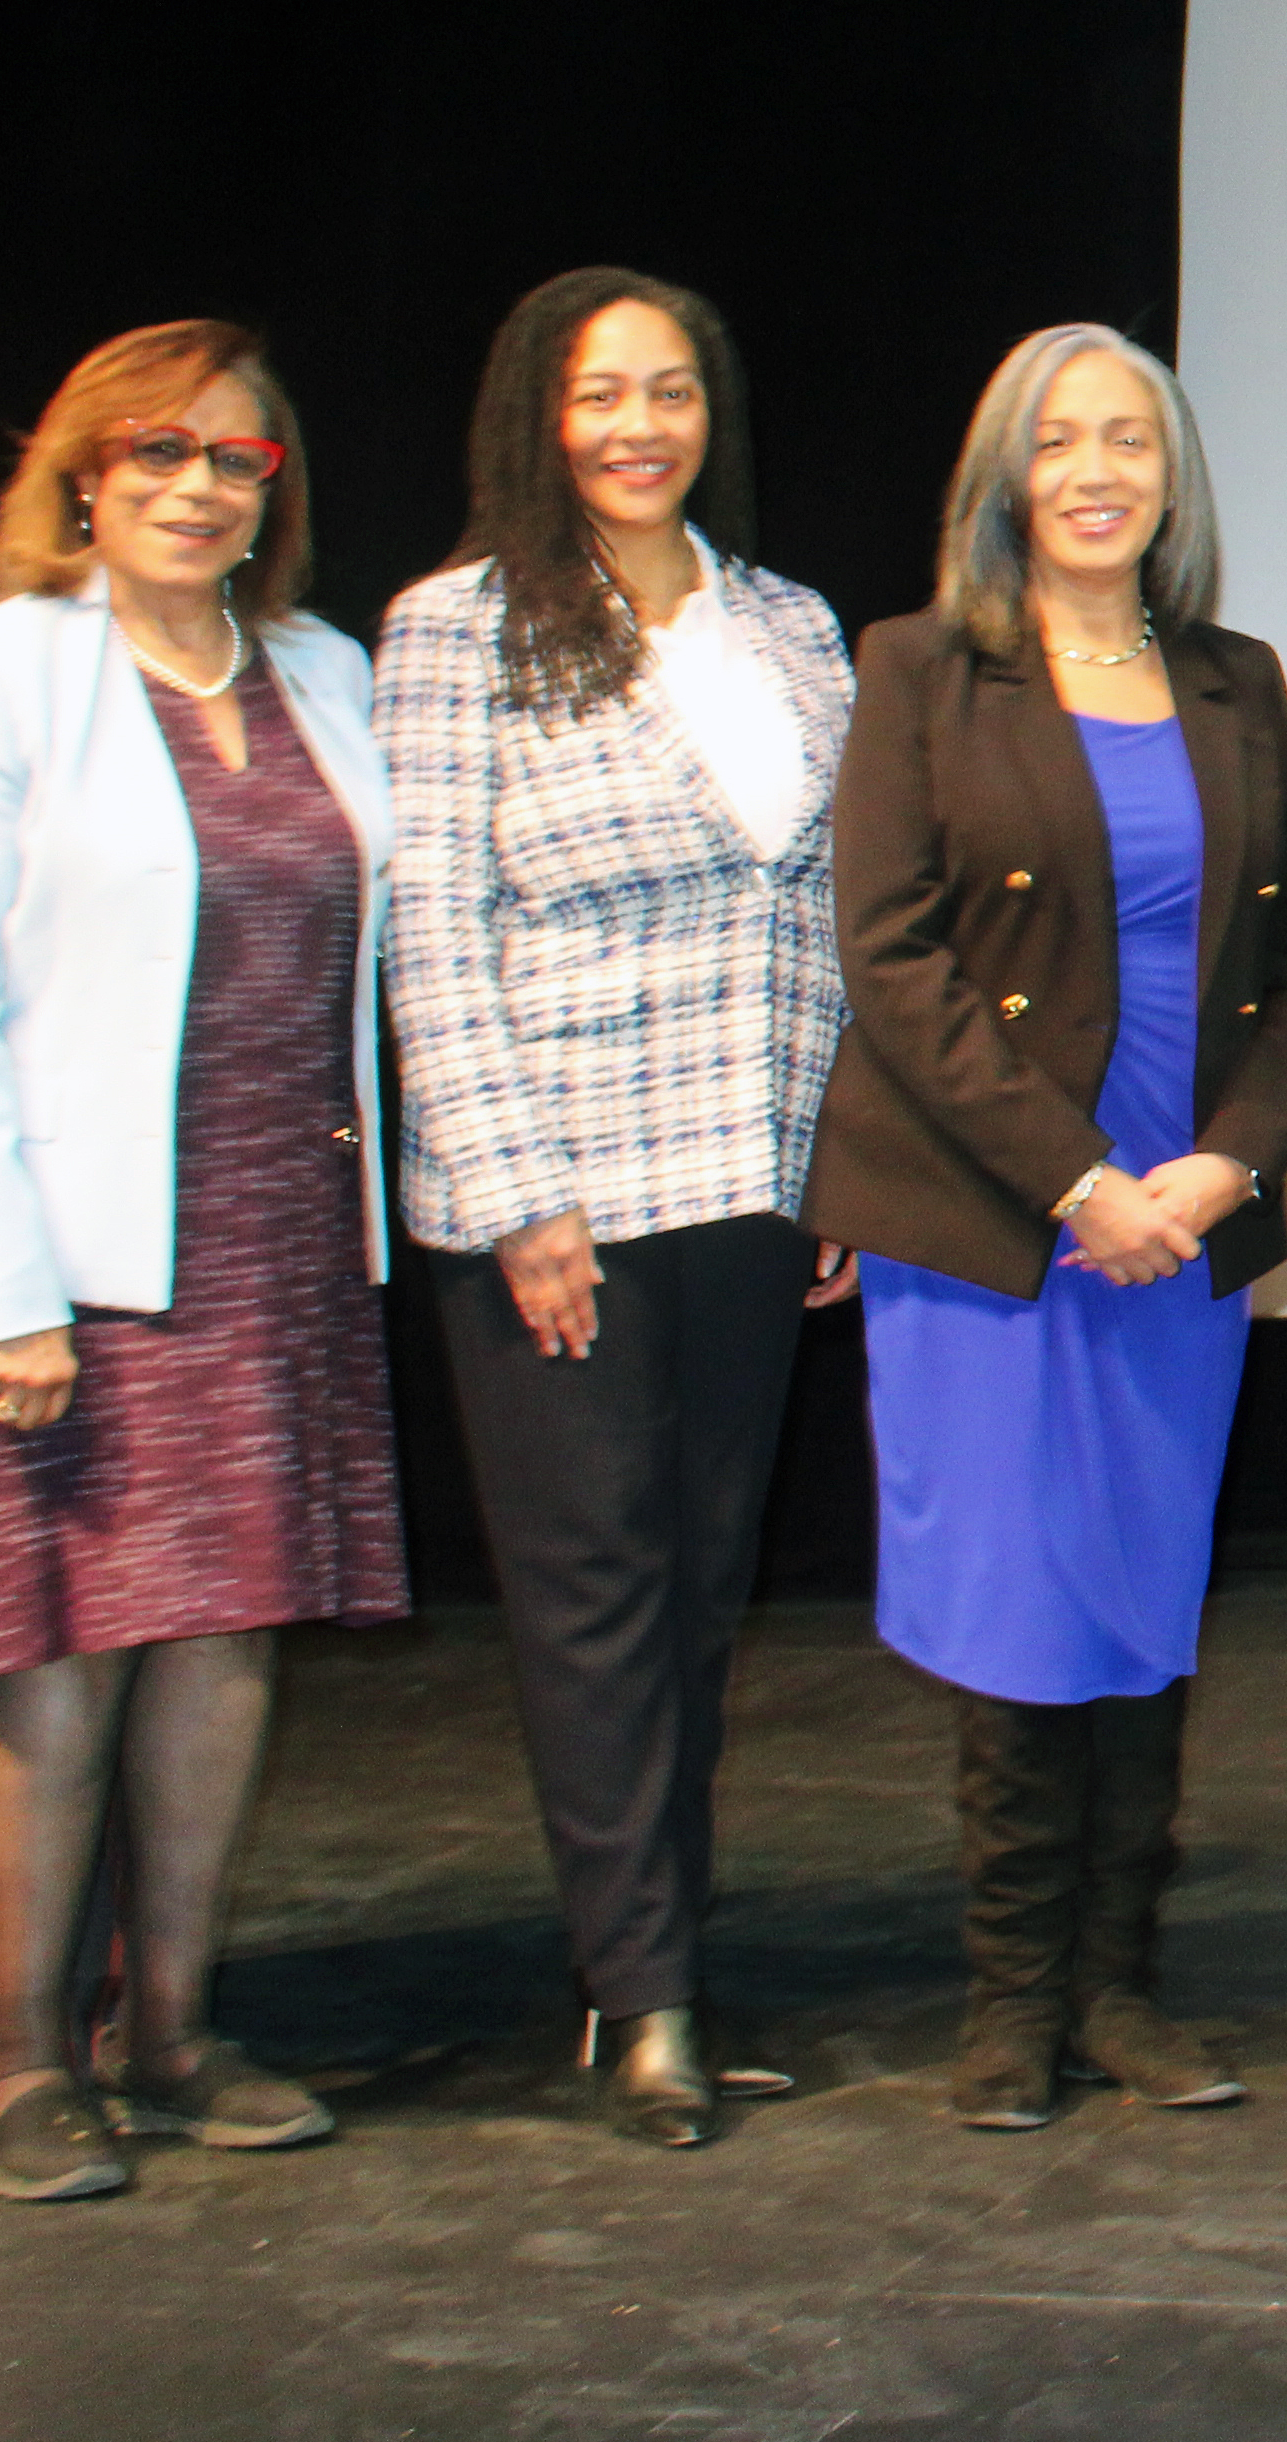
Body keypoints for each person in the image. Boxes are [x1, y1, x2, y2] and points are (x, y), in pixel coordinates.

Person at [0, 320, 406, 2198]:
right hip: (72, 1249)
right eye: (158, 451)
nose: (195, 485)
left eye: (236, 459)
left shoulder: (327, 670)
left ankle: (172, 2032)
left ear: (274, 492)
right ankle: (24, 2063)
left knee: (224, 1640)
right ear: (85, 474)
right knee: (62, 1653)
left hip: (274, 1231)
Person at [809, 325, 1287, 2132]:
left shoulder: (1239, 678)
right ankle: (1011, 1997)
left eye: (1132, 438)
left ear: (1171, 474)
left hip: (1179, 1221)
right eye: (1062, 443)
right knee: (1015, 1598)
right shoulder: (917, 672)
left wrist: (1220, 1172)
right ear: (1007, 477)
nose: (1100, 469)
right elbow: (891, 955)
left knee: (1139, 1597)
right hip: (995, 1214)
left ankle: (1120, 1989)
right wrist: (1074, 1181)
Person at [377, 267, 857, 2147]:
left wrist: (833, 1161)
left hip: (749, 1162)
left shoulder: (787, 619)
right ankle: (639, 1991)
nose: (638, 426)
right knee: (592, 1594)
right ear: (538, 417)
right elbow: (432, 924)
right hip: (558, 1182)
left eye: (669, 390)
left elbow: (819, 903)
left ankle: (659, 1954)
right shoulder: (459, 624)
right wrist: (514, 1192)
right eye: (599, 396)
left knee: (700, 1589)